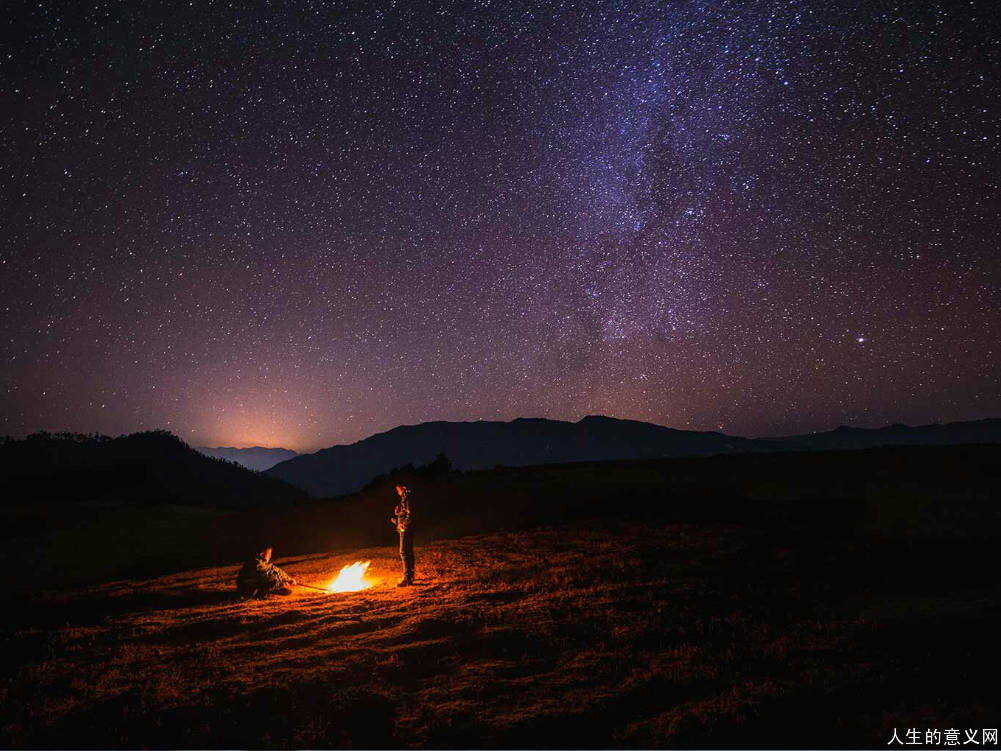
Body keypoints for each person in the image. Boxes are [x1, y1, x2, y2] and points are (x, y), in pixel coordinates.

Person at [391, 484, 415, 586]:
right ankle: (410, 576)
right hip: (405, 528)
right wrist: (397, 521)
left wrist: (404, 526)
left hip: (406, 530)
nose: (398, 493)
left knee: (404, 552)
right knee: (408, 552)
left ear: (404, 489)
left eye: (399, 490)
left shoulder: (407, 500)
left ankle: (407, 578)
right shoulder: (405, 500)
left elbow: (410, 514)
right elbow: (404, 514)